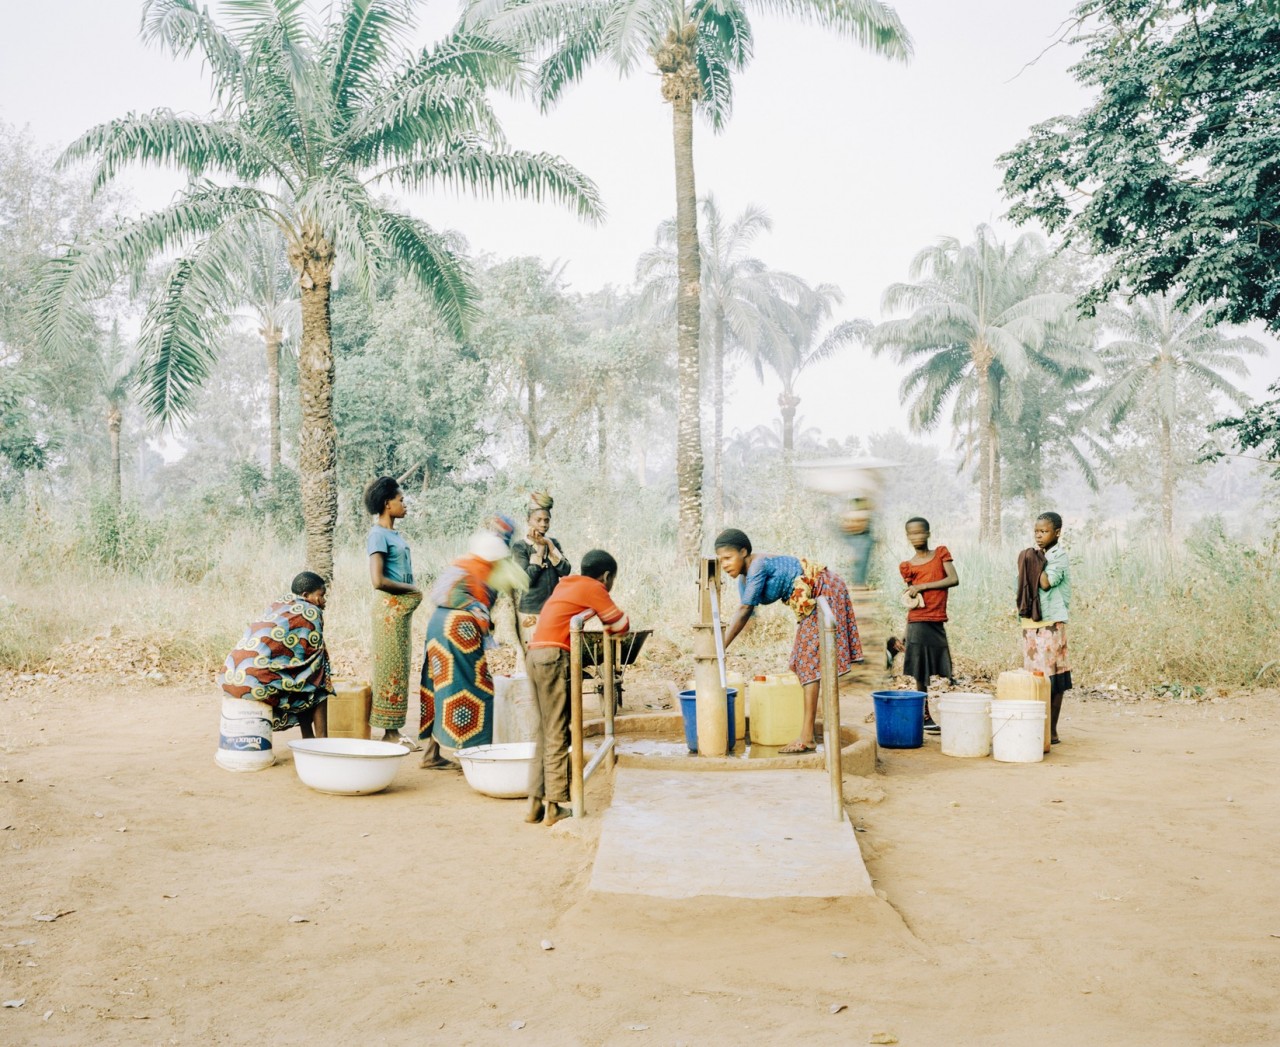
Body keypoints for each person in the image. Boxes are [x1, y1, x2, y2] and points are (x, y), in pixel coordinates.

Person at [715, 528, 863, 754]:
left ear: (743, 552)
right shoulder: (744, 578)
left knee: (808, 662)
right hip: (813, 598)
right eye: (720, 560)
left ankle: (807, 737)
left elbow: (744, 610)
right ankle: (812, 730)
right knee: (800, 660)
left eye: (727, 558)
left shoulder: (757, 566)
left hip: (823, 591)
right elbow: (747, 612)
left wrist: (719, 647)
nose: (724, 565)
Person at [524, 549, 630, 826]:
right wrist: (610, 625)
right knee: (559, 731)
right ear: (606, 576)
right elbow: (620, 624)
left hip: (534, 655)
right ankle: (554, 806)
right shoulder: (594, 587)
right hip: (553, 658)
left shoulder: (567, 584)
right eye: (612, 580)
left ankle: (535, 804)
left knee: (545, 730)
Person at [418, 515, 522, 764]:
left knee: (441, 686)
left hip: (437, 624)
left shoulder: (464, 562)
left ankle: (432, 754)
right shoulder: (496, 567)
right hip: (459, 629)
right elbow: (516, 602)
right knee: (476, 688)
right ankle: (473, 756)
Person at [219, 571, 332, 738]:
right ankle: (322, 741)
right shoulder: (311, 611)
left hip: (230, 677)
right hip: (256, 681)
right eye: (321, 596)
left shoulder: (279, 604)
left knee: (306, 679)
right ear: (306, 595)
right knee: (320, 682)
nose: (323, 601)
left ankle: (308, 738)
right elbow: (314, 656)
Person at [365, 476, 423, 750]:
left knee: (399, 667)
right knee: (390, 669)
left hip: (398, 610)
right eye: (401, 500)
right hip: (388, 609)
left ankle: (394, 728)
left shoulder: (394, 535)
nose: (405, 504)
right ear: (388, 504)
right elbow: (378, 580)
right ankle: (389, 732)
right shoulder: (377, 534)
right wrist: (412, 589)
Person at [899, 516, 959, 733]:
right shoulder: (907, 566)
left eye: (920, 532)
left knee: (943, 666)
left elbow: (953, 579)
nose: (916, 537)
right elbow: (911, 601)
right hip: (917, 622)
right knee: (920, 672)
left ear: (928, 533)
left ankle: (929, 714)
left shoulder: (941, 554)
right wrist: (904, 633)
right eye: (911, 533)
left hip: (936, 620)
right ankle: (924, 716)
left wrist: (922, 586)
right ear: (907, 537)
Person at [1020, 511, 1072, 744]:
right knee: (1036, 678)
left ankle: (1051, 730)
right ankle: (1036, 728)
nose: (1039, 536)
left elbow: (1046, 582)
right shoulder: (1034, 555)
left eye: (1044, 531)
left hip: (1051, 623)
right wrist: (1031, 559)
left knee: (1055, 678)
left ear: (1057, 532)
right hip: (1031, 623)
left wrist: (1033, 560)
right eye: (1036, 532)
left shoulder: (1058, 556)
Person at [509, 491, 571, 667]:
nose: (544, 524)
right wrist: (539, 553)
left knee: (552, 657)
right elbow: (525, 581)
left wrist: (550, 546)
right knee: (534, 659)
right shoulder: (521, 547)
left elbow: (565, 571)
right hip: (531, 612)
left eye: (547, 520)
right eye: (539, 520)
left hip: (553, 610)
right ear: (529, 521)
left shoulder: (553, 543)